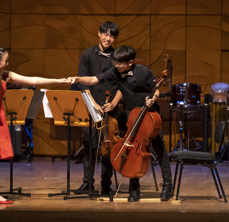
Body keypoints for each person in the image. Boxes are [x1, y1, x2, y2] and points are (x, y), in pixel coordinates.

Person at [0, 43, 70, 203]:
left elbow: (31, 80)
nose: (8, 63)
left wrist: (57, 81)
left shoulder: (5, 75)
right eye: (5, 60)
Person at [70, 45, 173, 202]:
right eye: (115, 62)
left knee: (159, 148)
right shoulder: (115, 72)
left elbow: (156, 89)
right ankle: (134, 188)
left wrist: (153, 99)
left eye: (119, 63)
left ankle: (167, 184)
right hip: (132, 114)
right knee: (132, 149)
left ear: (130, 62)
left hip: (150, 114)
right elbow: (93, 79)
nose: (116, 65)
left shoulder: (143, 71)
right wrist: (77, 79)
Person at [73, 21, 122, 196]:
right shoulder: (87, 55)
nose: (108, 38)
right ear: (99, 34)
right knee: (89, 146)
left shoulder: (117, 57)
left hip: (111, 109)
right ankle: (87, 183)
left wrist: (113, 103)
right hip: (91, 108)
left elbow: (123, 85)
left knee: (107, 148)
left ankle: (106, 184)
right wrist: (93, 104)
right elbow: (83, 84)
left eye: (112, 36)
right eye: (105, 34)